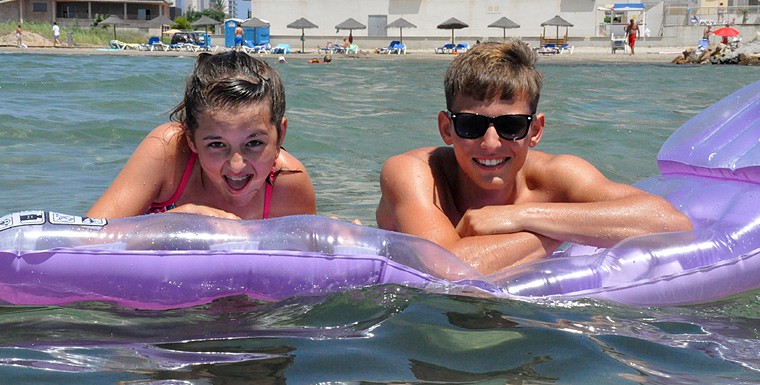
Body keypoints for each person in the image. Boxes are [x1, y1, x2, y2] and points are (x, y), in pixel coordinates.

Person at [375, 40, 693, 275]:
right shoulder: (413, 173)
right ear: (447, 128)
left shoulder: (557, 175)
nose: (490, 143)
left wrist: (523, 217)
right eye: (470, 125)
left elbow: (671, 223)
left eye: (511, 126)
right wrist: (558, 231)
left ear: (536, 130)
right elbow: (447, 271)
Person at [88, 51, 316, 220]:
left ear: (281, 134)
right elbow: (86, 237)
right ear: (190, 137)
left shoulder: (288, 184)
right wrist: (172, 222)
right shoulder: (168, 152)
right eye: (216, 144)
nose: (236, 165)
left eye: (254, 142)